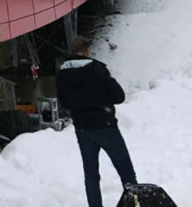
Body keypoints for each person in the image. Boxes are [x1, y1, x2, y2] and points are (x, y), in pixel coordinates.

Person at [57, 36, 137, 207]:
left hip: (83, 130)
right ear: (86, 51)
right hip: (106, 126)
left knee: (91, 176)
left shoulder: (62, 74)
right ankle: (133, 203)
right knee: (127, 173)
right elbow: (119, 96)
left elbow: (65, 103)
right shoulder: (97, 69)